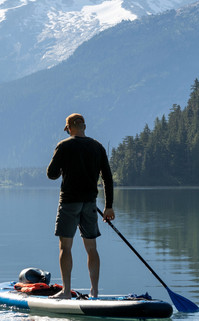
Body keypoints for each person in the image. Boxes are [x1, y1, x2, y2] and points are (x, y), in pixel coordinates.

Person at [46, 113, 114, 299]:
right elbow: (107, 178)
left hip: (69, 202)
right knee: (91, 248)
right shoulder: (97, 147)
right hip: (90, 204)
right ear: (84, 126)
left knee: (65, 247)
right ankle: (95, 292)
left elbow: (51, 174)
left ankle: (66, 292)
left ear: (69, 128)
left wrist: (62, 167)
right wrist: (108, 207)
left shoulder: (63, 146)